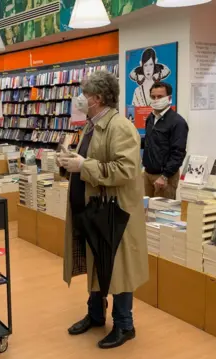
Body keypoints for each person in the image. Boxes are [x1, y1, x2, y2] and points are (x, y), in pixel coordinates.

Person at [58, 71, 147, 349]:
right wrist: (68, 162)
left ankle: (124, 324)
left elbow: (126, 169)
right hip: (91, 209)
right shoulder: (91, 125)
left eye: (85, 96)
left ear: (97, 98)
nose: (81, 100)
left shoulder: (120, 127)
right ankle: (96, 314)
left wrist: (83, 167)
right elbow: (88, 159)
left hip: (113, 212)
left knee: (117, 267)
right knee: (97, 261)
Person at [143, 82, 188, 200]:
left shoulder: (178, 122)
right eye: (153, 97)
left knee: (161, 214)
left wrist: (165, 176)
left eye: (160, 96)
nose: (156, 100)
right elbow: (149, 142)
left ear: (169, 98)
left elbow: (178, 153)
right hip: (147, 174)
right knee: (146, 213)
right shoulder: (150, 118)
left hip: (164, 177)